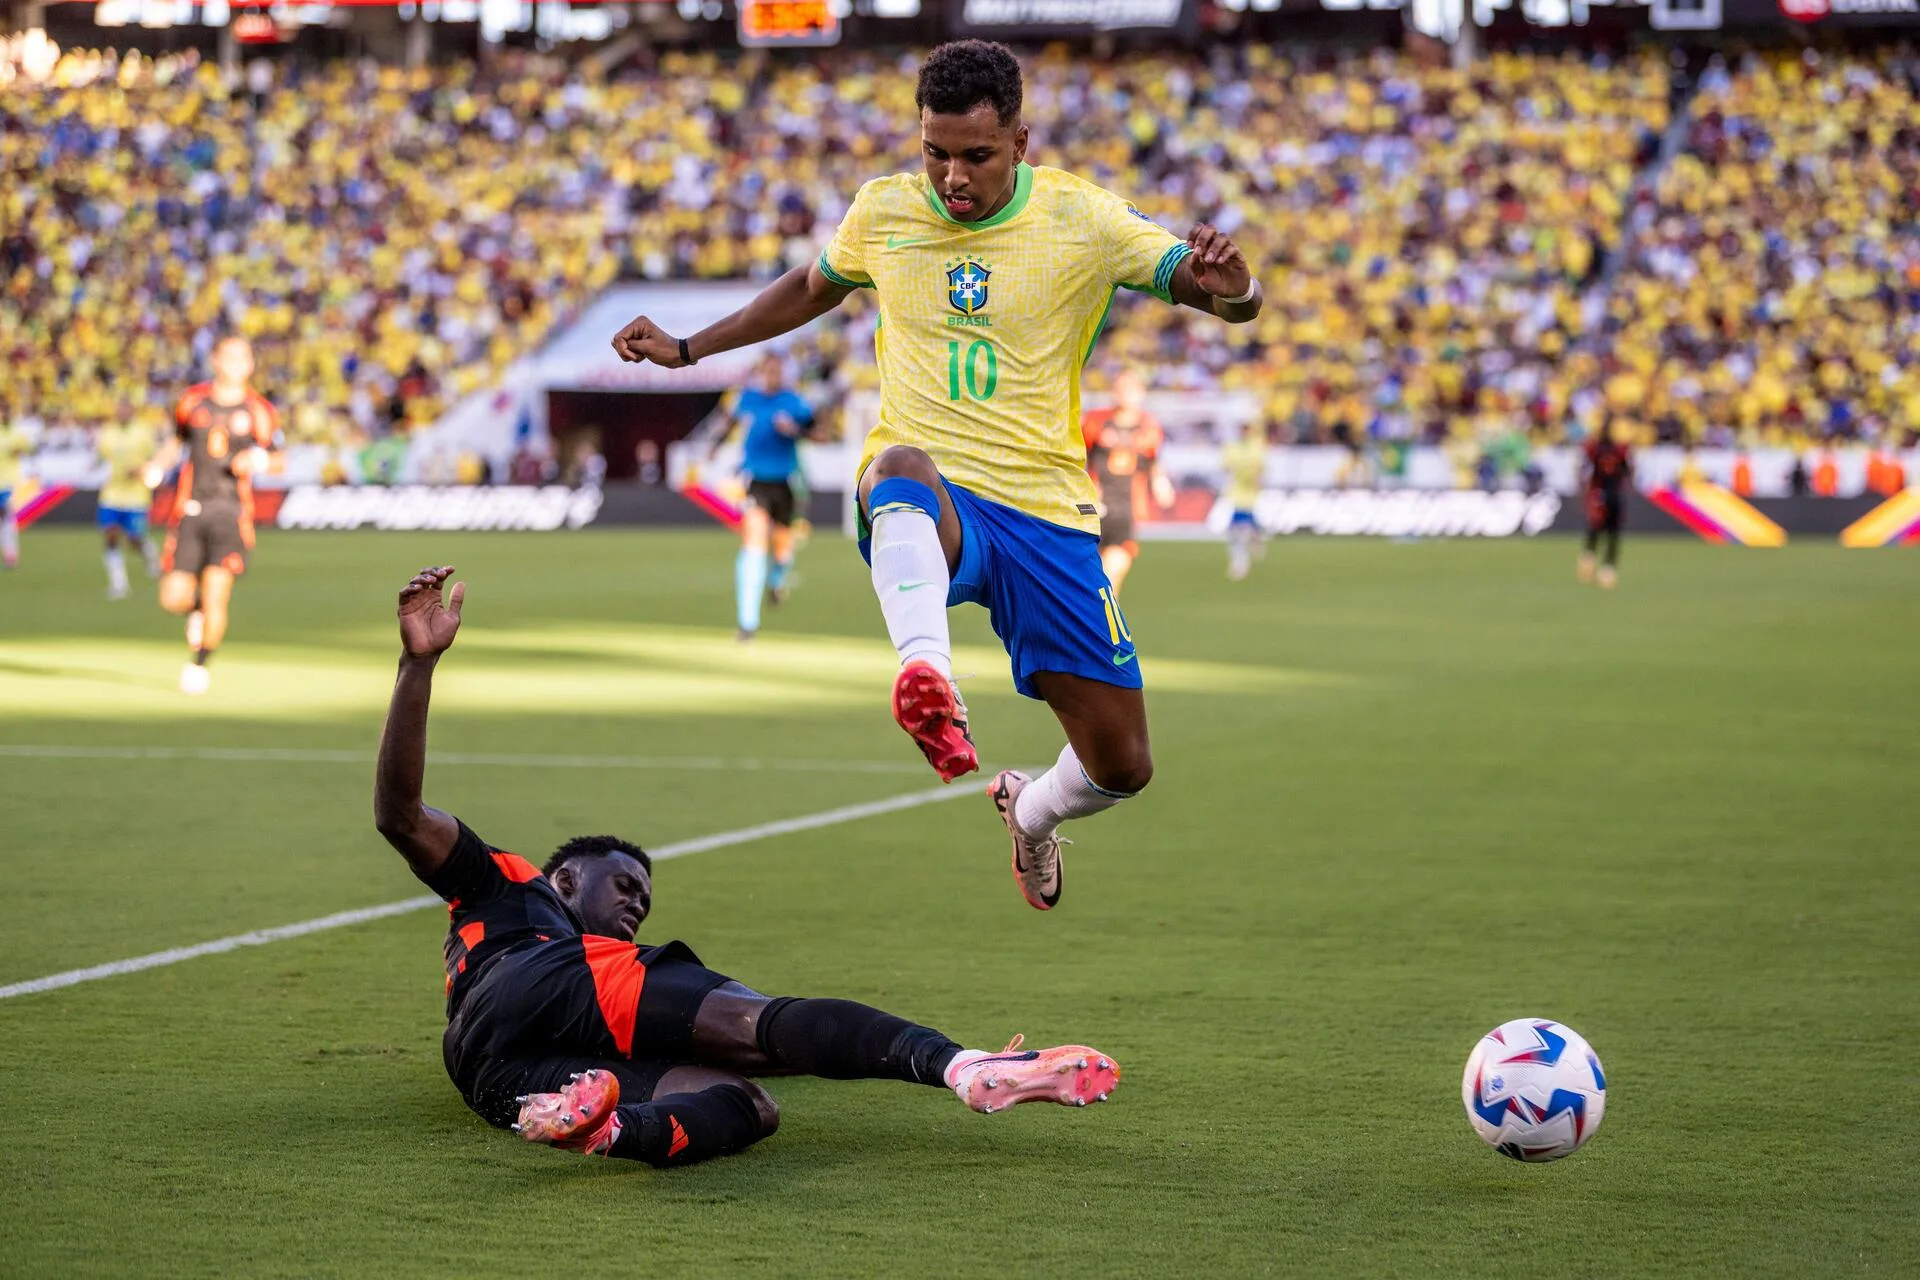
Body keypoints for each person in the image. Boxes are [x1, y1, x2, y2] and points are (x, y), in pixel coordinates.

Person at [610, 41, 1262, 911]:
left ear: (1020, 143)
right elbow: (810, 287)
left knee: (1122, 763)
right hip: (931, 494)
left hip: (1047, 512)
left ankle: (1028, 813)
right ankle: (930, 679)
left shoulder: (1084, 218)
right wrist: (690, 348)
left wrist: (1239, 289)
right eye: (936, 153)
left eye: (977, 156)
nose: (953, 176)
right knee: (898, 467)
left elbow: (1204, 285)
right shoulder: (883, 213)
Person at [374, 565, 1121, 1167]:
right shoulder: (512, 885)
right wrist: (417, 668)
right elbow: (400, 816)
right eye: (625, 885)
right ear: (564, 878)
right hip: (535, 980)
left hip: (487, 1071)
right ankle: (961, 1066)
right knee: (757, 1019)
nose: (637, 907)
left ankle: (600, 1133)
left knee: (745, 1104)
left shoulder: (548, 963)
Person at [155, 337, 281, 695]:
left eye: (243, 356)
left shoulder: (260, 410)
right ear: (215, 360)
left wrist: (258, 460)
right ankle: (195, 610)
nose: (236, 363)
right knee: (173, 598)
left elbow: (279, 456)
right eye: (229, 356)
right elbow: (176, 442)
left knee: (217, 594)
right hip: (190, 511)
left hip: (232, 515)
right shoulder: (192, 401)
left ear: (251, 364)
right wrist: (156, 466)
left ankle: (199, 662)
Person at [728, 354, 815, 641]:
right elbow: (730, 423)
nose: (772, 375)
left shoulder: (793, 402)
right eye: (768, 370)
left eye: (777, 370)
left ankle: (777, 579)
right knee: (753, 542)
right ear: (762, 373)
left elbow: (815, 431)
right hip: (756, 481)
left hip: (786, 482)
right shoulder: (748, 399)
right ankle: (747, 622)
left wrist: (795, 431)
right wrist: (714, 450)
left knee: (782, 548)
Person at [1082, 368, 1173, 598]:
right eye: (1121, 388)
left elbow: (1151, 461)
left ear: (1141, 393)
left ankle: (1102, 621)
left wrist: (1161, 482)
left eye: (1131, 389)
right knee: (1087, 575)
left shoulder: (1149, 427)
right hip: (1092, 507)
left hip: (1125, 509)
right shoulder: (1096, 421)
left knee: (1112, 576)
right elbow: (1078, 456)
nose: (1125, 394)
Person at [95, 411, 165, 599]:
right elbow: (100, 457)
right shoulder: (107, 432)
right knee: (110, 535)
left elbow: (157, 459)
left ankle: (150, 555)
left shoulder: (143, 432)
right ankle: (119, 584)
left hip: (136, 496)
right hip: (111, 494)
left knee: (135, 539)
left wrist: (142, 470)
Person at [1578, 420, 1631, 589]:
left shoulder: (1596, 450)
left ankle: (1591, 560)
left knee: (1600, 529)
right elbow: (1628, 471)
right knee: (1608, 532)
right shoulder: (1617, 451)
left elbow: (1583, 469)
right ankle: (1604, 567)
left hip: (1603, 493)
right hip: (1609, 494)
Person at [1220, 421, 1268, 583]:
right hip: (1237, 492)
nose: (1244, 432)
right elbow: (1225, 467)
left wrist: (1258, 482)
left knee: (1237, 529)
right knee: (1238, 528)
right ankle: (1256, 536)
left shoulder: (1256, 447)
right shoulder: (1233, 448)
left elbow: (1261, 469)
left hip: (1249, 492)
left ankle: (1241, 561)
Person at [0, 414, 27, 571]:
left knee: (6, 516)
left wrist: (18, 450)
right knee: (4, 519)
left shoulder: (16, 433)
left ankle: (11, 554)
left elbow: (26, 449)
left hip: (8, 481)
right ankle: (10, 554)